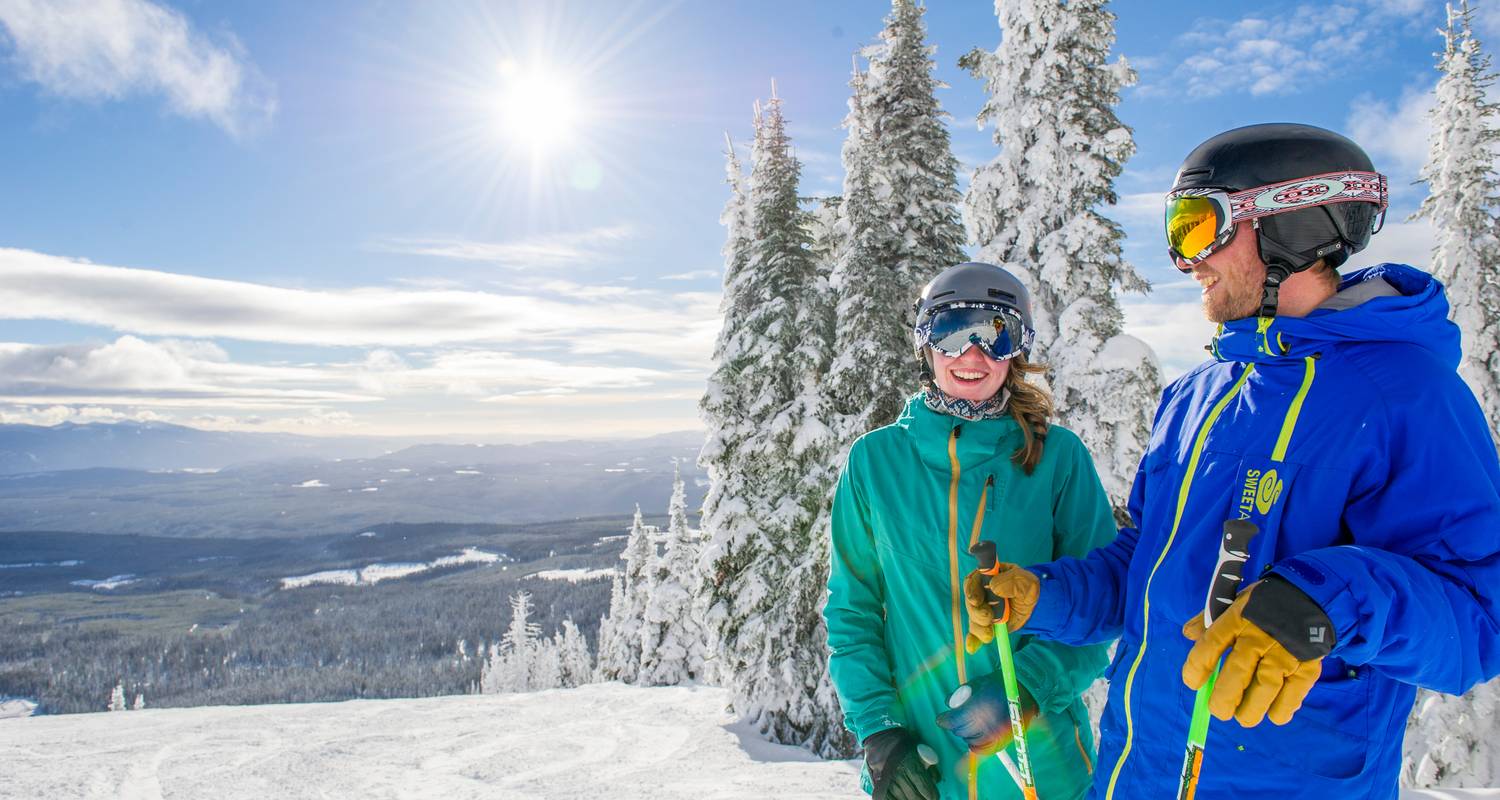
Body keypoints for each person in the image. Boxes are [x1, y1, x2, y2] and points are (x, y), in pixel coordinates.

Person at [962, 122, 1500, 800]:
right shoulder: (1198, 396)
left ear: (1291, 226)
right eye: (1176, 233)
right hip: (1139, 775)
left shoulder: (1406, 394)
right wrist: (1046, 596)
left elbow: (1478, 611)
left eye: (1199, 227)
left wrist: (1321, 603)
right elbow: (1147, 564)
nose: (1187, 261)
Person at [824, 261, 1116, 800]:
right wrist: (881, 732)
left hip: (1041, 765)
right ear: (926, 345)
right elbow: (851, 611)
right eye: (952, 331)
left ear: (1017, 349)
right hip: (922, 769)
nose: (973, 355)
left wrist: (1026, 687)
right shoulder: (874, 461)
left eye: (996, 334)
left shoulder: (1058, 459)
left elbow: (1102, 603)